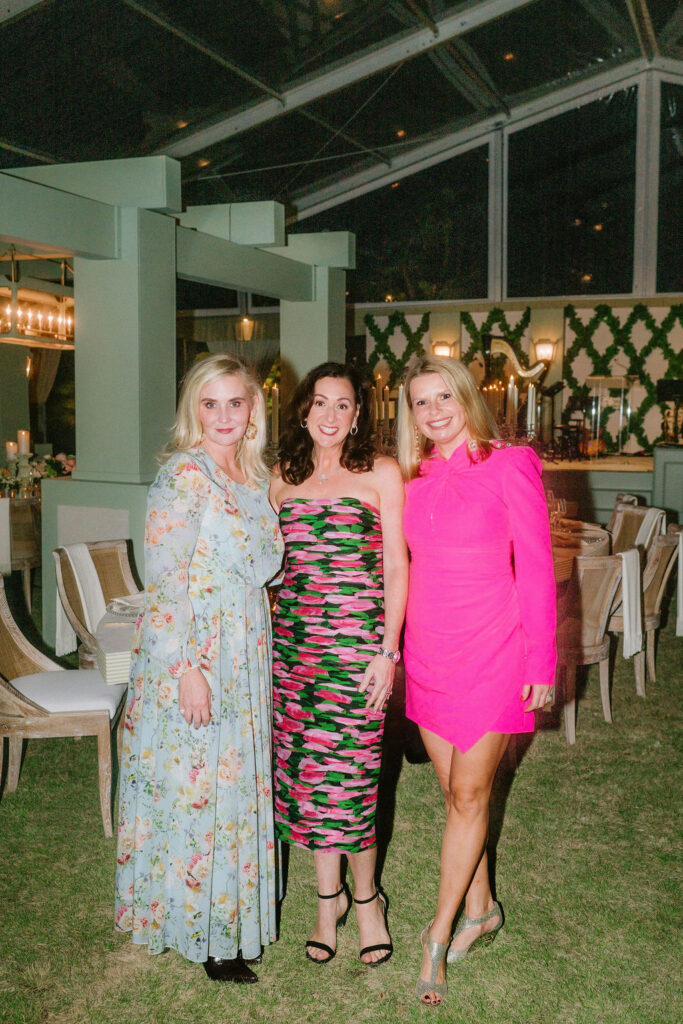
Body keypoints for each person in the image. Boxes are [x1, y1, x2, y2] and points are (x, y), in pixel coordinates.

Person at [115, 354, 284, 984]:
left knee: (233, 785)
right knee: (198, 786)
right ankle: (205, 933)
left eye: (235, 403)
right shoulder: (184, 476)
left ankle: (231, 919)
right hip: (197, 653)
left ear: (252, 410)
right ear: (193, 409)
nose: (223, 416)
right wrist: (187, 667)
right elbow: (165, 582)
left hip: (245, 651)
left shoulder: (251, 476)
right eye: (210, 404)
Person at [397, 354, 556, 1007]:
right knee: (457, 795)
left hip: (495, 649)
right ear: (409, 413)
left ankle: (437, 936)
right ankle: (484, 906)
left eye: (444, 397)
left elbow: (538, 567)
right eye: (420, 402)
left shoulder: (509, 464)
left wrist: (540, 662)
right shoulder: (411, 478)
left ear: (466, 397)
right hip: (430, 654)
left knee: (467, 795)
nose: (434, 412)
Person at [270, 362, 408, 967]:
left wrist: (388, 651)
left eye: (343, 405)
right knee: (309, 782)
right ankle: (328, 903)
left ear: (358, 415)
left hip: (358, 653)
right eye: (320, 403)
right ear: (303, 410)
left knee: (352, 781)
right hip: (296, 655)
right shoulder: (279, 479)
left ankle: (368, 900)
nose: (329, 416)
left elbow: (399, 568)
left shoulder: (380, 473)